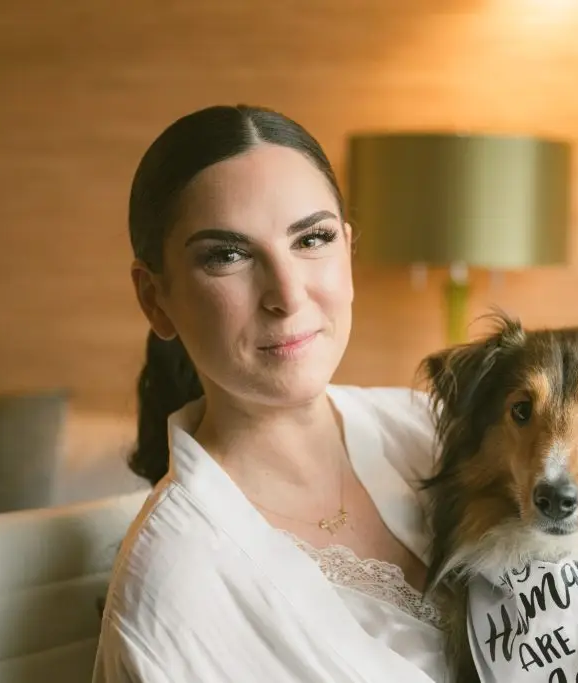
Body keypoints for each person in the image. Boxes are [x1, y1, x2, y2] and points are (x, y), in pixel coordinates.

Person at [92, 104, 448, 683]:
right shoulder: (174, 588)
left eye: (312, 239)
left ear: (348, 254)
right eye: (227, 255)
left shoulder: (436, 430)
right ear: (155, 298)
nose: (287, 294)